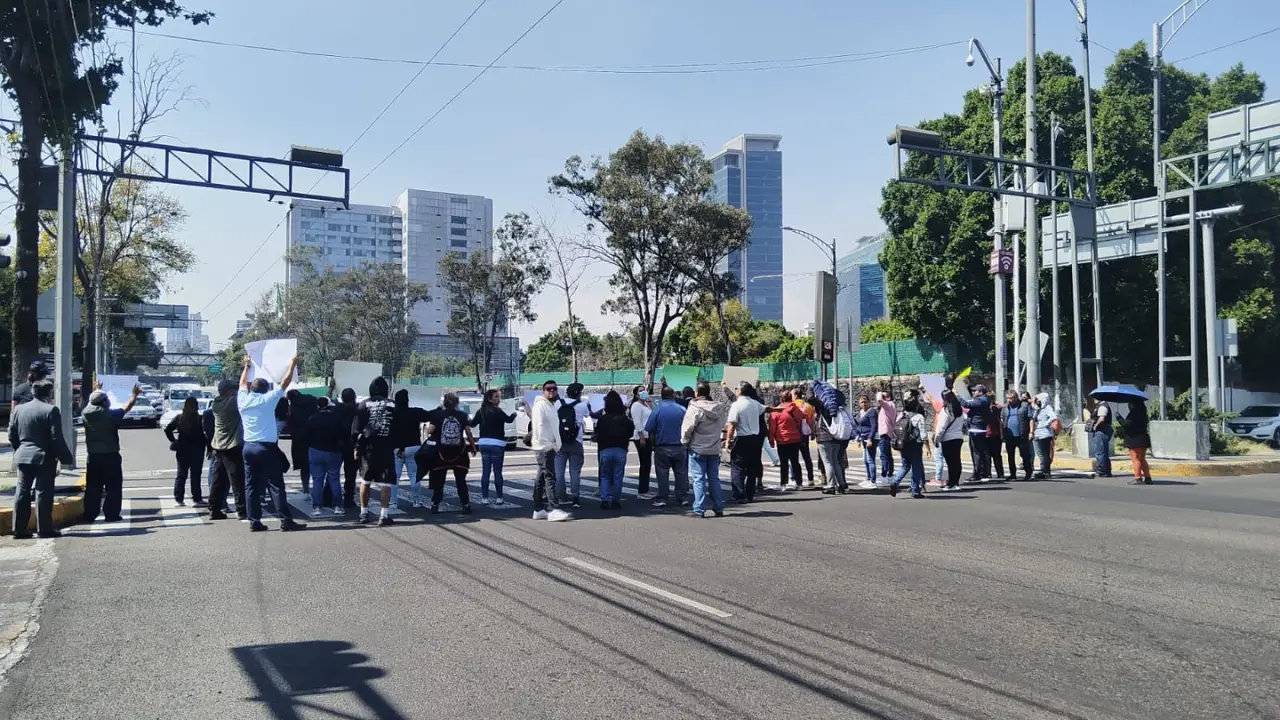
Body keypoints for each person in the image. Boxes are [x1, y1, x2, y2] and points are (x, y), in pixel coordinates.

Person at [237, 354, 306, 532]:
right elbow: (285, 381)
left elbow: (242, 383)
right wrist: (291, 363)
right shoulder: (268, 400)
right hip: (266, 448)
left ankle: (254, 521)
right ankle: (285, 520)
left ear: (252, 388)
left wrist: (247, 366)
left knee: (250, 486)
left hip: (248, 447)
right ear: (266, 389)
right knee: (275, 484)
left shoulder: (242, 399)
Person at [8, 381, 74, 538]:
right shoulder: (51, 410)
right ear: (49, 394)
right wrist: (65, 456)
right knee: (43, 492)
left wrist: (20, 449)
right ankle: (44, 529)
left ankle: (18, 529)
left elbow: (12, 434)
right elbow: (56, 437)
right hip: (44, 457)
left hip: (23, 455)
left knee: (22, 491)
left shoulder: (18, 409)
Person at [80, 383, 141, 524]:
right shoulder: (109, 414)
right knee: (113, 487)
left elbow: (93, 401)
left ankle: (90, 515)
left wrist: (96, 390)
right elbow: (126, 407)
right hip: (110, 455)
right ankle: (111, 514)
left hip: (93, 456)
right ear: (103, 402)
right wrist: (134, 394)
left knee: (93, 487)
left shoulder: (85, 413)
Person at [352, 377, 399, 526]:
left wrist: (357, 447)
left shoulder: (363, 404)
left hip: (368, 449)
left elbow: (356, 430)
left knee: (365, 481)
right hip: (386, 448)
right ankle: (384, 515)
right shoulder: (392, 404)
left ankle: (363, 513)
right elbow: (399, 426)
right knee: (386, 483)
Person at [422, 392, 476, 514]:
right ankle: (465, 504)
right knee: (461, 480)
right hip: (459, 452)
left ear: (444, 403)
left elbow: (430, 431)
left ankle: (435, 504)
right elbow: (468, 432)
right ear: (457, 403)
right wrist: (473, 446)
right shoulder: (462, 415)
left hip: (441, 453)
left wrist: (425, 429)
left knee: (439, 480)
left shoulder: (437, 415)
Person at [527, 381, 572, 521]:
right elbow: (539, 426)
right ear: (543, 391)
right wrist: (548, 444)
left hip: (548, 446)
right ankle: (553, 508)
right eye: (548, 389)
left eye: (554, 389)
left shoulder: (550, 405)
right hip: (544, 446)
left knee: (541, 477)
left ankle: (538, 509)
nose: (552, 391)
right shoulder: (541, 405)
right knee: (549, 477)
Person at [683, 382, 726, 517]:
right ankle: (718, 506)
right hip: (713, 447)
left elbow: (687, 429)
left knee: (698, 479)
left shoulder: (694, 408)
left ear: (697, 393)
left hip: (697, 447)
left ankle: (699, 508)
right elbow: (723, 425)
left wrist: (685, 442)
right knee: (714, 478)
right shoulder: (719, 408)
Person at [208, 379, 247, 520]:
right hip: (231, 446)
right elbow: (245, 394)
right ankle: (242, 510)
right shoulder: (231, 403)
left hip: (218, 447)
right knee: (237, 480)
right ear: (230, 392)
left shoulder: (216, 403)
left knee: (218, 480)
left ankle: (214, 508)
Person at [645, 385, 689, 508]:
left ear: (662, 396)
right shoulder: (682, 409)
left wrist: (653, 444)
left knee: (662, 474)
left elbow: (649, 428)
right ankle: (683, 497)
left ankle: (662, 498)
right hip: (680, 446)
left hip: (662, 446)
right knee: (681, 473)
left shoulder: (657, 410)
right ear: (673, 395)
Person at [306, 395, 349, 516]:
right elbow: (344, 434)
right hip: (333, 451)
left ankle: (316, 507)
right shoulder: (336, 418)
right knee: (334, 479)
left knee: (317, 480)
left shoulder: (312, 418)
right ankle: (337, 506)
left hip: (315, 450)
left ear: (317, 406)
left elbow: (306, 436)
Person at [471, 389, 515, 505]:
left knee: (485, 471)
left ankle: (484, 498)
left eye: (498, 397)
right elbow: (509, 420)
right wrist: (514, 414)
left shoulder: (481, 411)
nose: (498, 399)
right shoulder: (498, 411)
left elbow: (472, 424)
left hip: (483, 443)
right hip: (497, 444)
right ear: (489, 399)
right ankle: (499, 497)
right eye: (496, 397)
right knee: (497, 471)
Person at [724, 382, 766, 503]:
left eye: (736, 388)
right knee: (752, 467)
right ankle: (749, 494)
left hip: (742, 438)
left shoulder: (736, 405)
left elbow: (732, 424)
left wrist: (729, 440)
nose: (735, 390)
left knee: (738, 467)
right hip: (755, 439)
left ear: (740, 391)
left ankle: (739, 494)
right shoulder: (755, 403)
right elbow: (766, 409)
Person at [593, 390, 634, 510]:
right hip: (620, 449)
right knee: (618, 476)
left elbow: (597, 433)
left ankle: (604, 499)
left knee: (605, 476)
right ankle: (616, 500)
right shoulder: (624, 419)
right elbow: (630, 433)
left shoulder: (603, 419)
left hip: (605, 449)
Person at [164, 396, 208, 506]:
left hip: (182, 448)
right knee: (196, 475)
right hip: (197, 449)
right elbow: (205, 434)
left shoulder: (179, 417)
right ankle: (197, 498)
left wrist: (174, 440)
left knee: (181, 474)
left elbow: (168, 429)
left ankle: (179, 499)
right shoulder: (200, 418)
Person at [554, 382, 590, 508]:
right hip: (576, 441)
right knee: (575, 472)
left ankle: (560, 496)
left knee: (559, 472)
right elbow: (588, 415)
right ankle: (575, 497)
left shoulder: (559, 403)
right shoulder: (582, 405)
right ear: (579, 393)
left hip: (560, 441)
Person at [389, 389, 426, 510]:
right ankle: (416, 501)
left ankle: (393, 502)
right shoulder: (415, 412)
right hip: (413, 447)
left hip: (396, 448)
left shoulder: (392, 413)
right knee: (414, 475)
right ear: (407, 400)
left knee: (395, 477)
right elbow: (430, 415)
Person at [888, 394, 930, 499]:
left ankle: (895, 481)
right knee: (917, 467)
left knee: (905, 465)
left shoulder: (902, 415)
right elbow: (923, 434)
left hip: (904, 444)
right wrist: (927, 447)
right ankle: (915, 490)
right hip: (915, 444)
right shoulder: (919, 417)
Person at [768, 390, 807, 491]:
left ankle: (783, 484)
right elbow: (801, 421)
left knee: (784, 463)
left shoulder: (776, 411)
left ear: (781, 398)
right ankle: (799, 483)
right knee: (795, 461)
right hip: (795, 439)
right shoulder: (796, 409)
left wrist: (771, 439)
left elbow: (772, 427)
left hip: (782, 440)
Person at [815, 390, 850, 495]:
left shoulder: (823, 407)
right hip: (836, 437)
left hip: (824, 437)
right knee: (835, 461)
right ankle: (841, 483)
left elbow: (811, 399)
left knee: (828, 462)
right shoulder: (839, 408)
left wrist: (812, 387)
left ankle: (831, 485)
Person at [957, 383, 992, 482]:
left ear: (980, 392)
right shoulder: (982, 399)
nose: (973, 392)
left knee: (976, 452)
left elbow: (966, 404)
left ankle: (977, 474)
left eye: (974, 391)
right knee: (980, 452)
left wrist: (957, 396)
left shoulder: (981, 400)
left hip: (976, 428)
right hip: (976, 427)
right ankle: (983, 473)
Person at [286, 389, 318, 494]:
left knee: (304, 467)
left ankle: (305, 489)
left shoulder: (292, 408)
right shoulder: (311, 401)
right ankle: (318, 489)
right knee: (317, 466)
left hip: (299, 439)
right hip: (314, 437)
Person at [937, 389, 967, 490]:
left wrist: (937, 438)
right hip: (958, 437)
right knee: (957, 461)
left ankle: (950, 483)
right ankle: (956, 483)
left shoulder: (945, 410)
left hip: (948, 438)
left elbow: (941, 427)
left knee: (950, 462)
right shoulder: (959, 410)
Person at [1001, 390, 1033, 481]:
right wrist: (1002, 433)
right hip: (1009, 436)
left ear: (1016, 397)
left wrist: (1031, 432)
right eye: (1008, 398)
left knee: (1025, 455)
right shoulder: (1005, 407)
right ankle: (1012, 474)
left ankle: (1028, 473)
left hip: (1021, 435)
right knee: (1010, 456)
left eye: (1011, 398)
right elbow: (1002, 420)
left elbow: (1031, 419)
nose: (1009, 400)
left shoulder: (1025, 406)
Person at [628, 386, 654, 498]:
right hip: (641, 436)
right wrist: (641, 436)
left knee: (647, 463)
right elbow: (637, 422)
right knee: (644, 463)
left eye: (644, 390)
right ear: (636, 394)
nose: (644, 392)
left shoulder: (645, 405)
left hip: (648, 435)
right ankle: (642, 491)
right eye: (640, 390)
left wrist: (650, 404)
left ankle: (645, 489)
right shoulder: (636, 405)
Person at [1120, 399, 1152, 485]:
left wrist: (1119, 417)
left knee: (1136, 459)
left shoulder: (1133, 414)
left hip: (1134, 439)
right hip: (1143, 439)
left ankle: (1138, 478)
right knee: (1142, 459)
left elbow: (1126, 425)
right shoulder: (1143, 413)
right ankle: (1148, 477)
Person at [793, 386, 818, 488]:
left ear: (795, 395)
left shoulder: (792, 406)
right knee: (807, 458)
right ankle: (811, 479)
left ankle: (796, 480)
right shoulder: (808, 406)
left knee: (794, 458)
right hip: (805, 435)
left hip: (794, 435)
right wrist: (812, 433)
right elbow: (812, 422)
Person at [1030, 392, 1059, 479]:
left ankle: (1046, 472)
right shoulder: (1038, 409)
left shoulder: (1047, 408)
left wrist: (1046, 423)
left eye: (1039, 400)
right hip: (1038, 433)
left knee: (1045, 453)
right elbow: (1033, 417)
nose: (1037, 401)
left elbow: (1053, 417)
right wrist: (1034, 403)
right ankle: (1044, 470)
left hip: (1045, 433)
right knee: (1040, 454)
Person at [852, 394, 878, 487]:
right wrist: (858, 438)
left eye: (865, 402)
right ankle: (868, 478)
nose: (863, 404)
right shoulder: (860, 412)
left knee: (870, 459)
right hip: (862, 438)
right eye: (861, 402)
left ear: (869, 402)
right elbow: (859, 426)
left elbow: (874, 426)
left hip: (869, 438)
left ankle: (872, 480)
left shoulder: (872, 412)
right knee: (865, 459)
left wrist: (870, 438)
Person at [1089, 398, 1114, 477]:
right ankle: (1106, 470)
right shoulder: (1100, 406)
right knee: (1103, 451)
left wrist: (1095, 425)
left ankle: (1102, 471)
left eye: (1096, 397)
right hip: (1102, 430)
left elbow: (1102, 418)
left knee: (1100, 451)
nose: (1094, 399)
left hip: (1102, 431)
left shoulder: (1103, 406)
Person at [876, 391, 897, 480]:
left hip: (884, 432)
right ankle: (890, 473)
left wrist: (880, 393)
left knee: (884, 454)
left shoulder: (888, 405)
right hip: (888, 432)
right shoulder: (892, 406)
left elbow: (879, 399)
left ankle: (884, 474)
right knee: (888, 454)